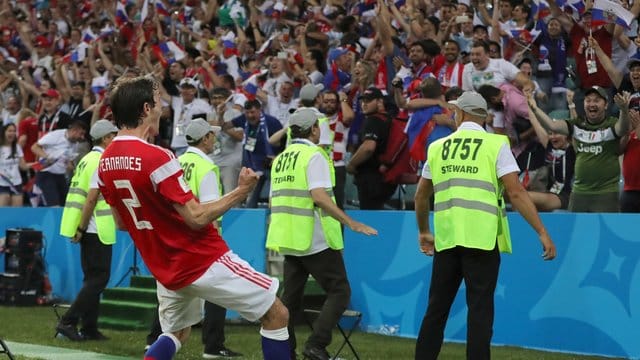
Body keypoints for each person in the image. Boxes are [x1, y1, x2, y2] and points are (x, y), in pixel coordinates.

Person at [98, 76, 289, 360]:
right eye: (159, 99)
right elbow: (197, 218)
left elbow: (122, 223)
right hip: (200, 257)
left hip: (165, 266)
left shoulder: (105, 161)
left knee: (176, 334)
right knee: (277, 314)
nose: (163, 103)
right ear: (146, 107)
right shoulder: (157, 156)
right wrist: (241, 191)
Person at [414, 91, 557, 360]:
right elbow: (516, 193)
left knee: (436, 310)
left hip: (447, 240)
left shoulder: (437, 148)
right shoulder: (496, 144)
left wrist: (423, 230)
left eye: (455, 111)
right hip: (481, 239)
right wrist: (541, 230)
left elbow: (421, 196)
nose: (452, 114)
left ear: (464, 113)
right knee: (479, 312)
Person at [266, 108, 377, 360]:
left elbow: (275, 201)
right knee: (340, 291)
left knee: (290, 301)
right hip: (313, 238)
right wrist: (350, 222)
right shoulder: (313, 155)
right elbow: (319, 196)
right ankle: (316, 344)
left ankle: (286, 351)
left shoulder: (282, 157)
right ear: (314, 129)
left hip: (289, 237)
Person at [179, 119, 241, 358]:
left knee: (174, 291)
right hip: (202, 239)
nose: (214, 139)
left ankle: (154, 339)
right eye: (212, 136)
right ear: (205, 139)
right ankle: (213, 346)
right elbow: (210, 210)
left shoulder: (177, 163)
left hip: (179, 237)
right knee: (220, 290)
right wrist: (216, 244)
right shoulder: (206, 167)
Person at [57, 120, 118, 341]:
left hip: (87, 227)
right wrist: (82, 228)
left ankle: (89, 328)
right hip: (95, 228)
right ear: (105, 138)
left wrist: (80, 227)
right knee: (98, 279)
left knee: (92, 278)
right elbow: (92, 198)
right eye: (114, 135)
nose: (117, 139)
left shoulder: (87, 159)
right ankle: (68, 321)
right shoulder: (101, 161)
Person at [528, 86, 631, 212]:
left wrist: (624, 110)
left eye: (596, 100)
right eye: (588, 100)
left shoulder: (611, 124)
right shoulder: (577, 124)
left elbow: (623, 128)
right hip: (579, 193)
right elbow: (552, 125)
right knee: (578, 231)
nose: (592, 104)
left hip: (606, 193)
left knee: (604, 231)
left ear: (606, 105)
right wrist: (534, 109)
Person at [346, 87, 397, 210]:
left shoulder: (373, 120)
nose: (364, 104)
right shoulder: (388, 119)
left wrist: (351, 164)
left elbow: (368, 147)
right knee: (378, 215)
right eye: (363, 101)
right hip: (385, 177)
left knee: (370, 218)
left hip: (371, 179)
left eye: (368, 101)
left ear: (379, 102)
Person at [31, 120, 87, 206]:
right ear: (74, 130)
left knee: (66, 204)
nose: (82, 137)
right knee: (54, 205)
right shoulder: (56, 135)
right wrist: (47, 157)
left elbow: (68, 161)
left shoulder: (75, 144)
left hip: (60, 175)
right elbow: (34, 147)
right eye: (81, 134)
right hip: (47, 173)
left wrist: (74, 168)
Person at [0, 123, 31, 206]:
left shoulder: (17, 147)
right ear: (4, 132)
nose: (12, 133)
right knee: (3, 213)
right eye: (10, 131)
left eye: (14, 131)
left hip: (17, 184)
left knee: (17, 213)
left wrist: (37, 165)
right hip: (2, 184)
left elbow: (23, 166)